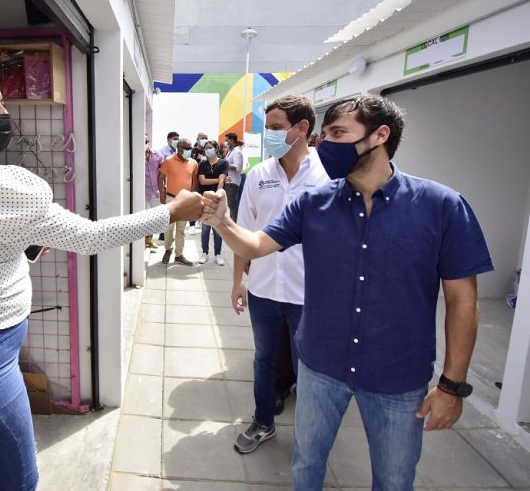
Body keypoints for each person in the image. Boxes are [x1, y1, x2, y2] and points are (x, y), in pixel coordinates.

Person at [0, 57, 202, 491]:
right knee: (19, 480)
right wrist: (171, 211)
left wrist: (20, 252)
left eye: (2, 102)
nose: (2, 114)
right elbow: (92, 237)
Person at [201, 94, 493, 490]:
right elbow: (255, 246)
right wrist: (222, 221)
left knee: (393, 479)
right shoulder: (313, 203)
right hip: (321, 367)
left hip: (397, 377)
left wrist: (450, 386)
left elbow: (464, 302)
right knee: (306, 467)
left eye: (339, 133)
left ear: (380, 136)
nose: (327, 144)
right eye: (325, 134)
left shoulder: (441, 206)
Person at [232, 95, 329, 454]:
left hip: (310, 295)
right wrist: (238, 281)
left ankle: (309, 435)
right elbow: (243, 233)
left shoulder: (327, 176)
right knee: (264, 359)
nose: (269, 135)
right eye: (267, 127)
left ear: (302, 128)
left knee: (310, 369)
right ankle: (263, 422)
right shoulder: (259, 175)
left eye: (275, 128)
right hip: (263, 291)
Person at [158, 138, 199, 266]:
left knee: (181, 229)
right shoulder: (168, 161)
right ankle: (168, 249)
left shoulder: (193, 163)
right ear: (179, 148)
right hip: (171, 199)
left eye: (190, 148)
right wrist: (162, 194)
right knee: (168, 228)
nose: (188, 151)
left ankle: (179, 255)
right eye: (186, 148)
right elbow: (160, 177)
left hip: (185, 201)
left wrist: (192, 196)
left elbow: (195, 179)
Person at [197, 140, 228, 265]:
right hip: (204, 200)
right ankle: (204, 253)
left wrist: (218, 195)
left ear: (216, 148)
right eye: (206, 148)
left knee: (217, 229)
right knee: (205, 229)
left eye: (210, 147)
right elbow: (202, 181)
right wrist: (218, 179)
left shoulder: (223, 163)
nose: (208, 150)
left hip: (217, 200)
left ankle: (218, 254)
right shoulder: (202, 164)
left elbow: (222, 181)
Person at [144, 133, 163, 250]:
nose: (145, 144)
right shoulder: (134, 153)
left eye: (146, 141)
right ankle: (143, 241)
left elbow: (163, 170)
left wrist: (163, 187)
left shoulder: (156, 154)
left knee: (154, 217)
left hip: (155, 190)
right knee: (143, 217)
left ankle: (149, 240)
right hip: (141, 191)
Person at [224, 132, 244, 221]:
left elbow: (237, 167)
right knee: (230, 203)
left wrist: (224, 164)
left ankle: (235, 221)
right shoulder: (230, 151)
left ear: (231, 140)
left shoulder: (237, 152)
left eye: (226, 140)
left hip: (233, 181)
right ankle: (234, 220)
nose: (225, 142)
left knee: (231, 203)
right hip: (228, 181)